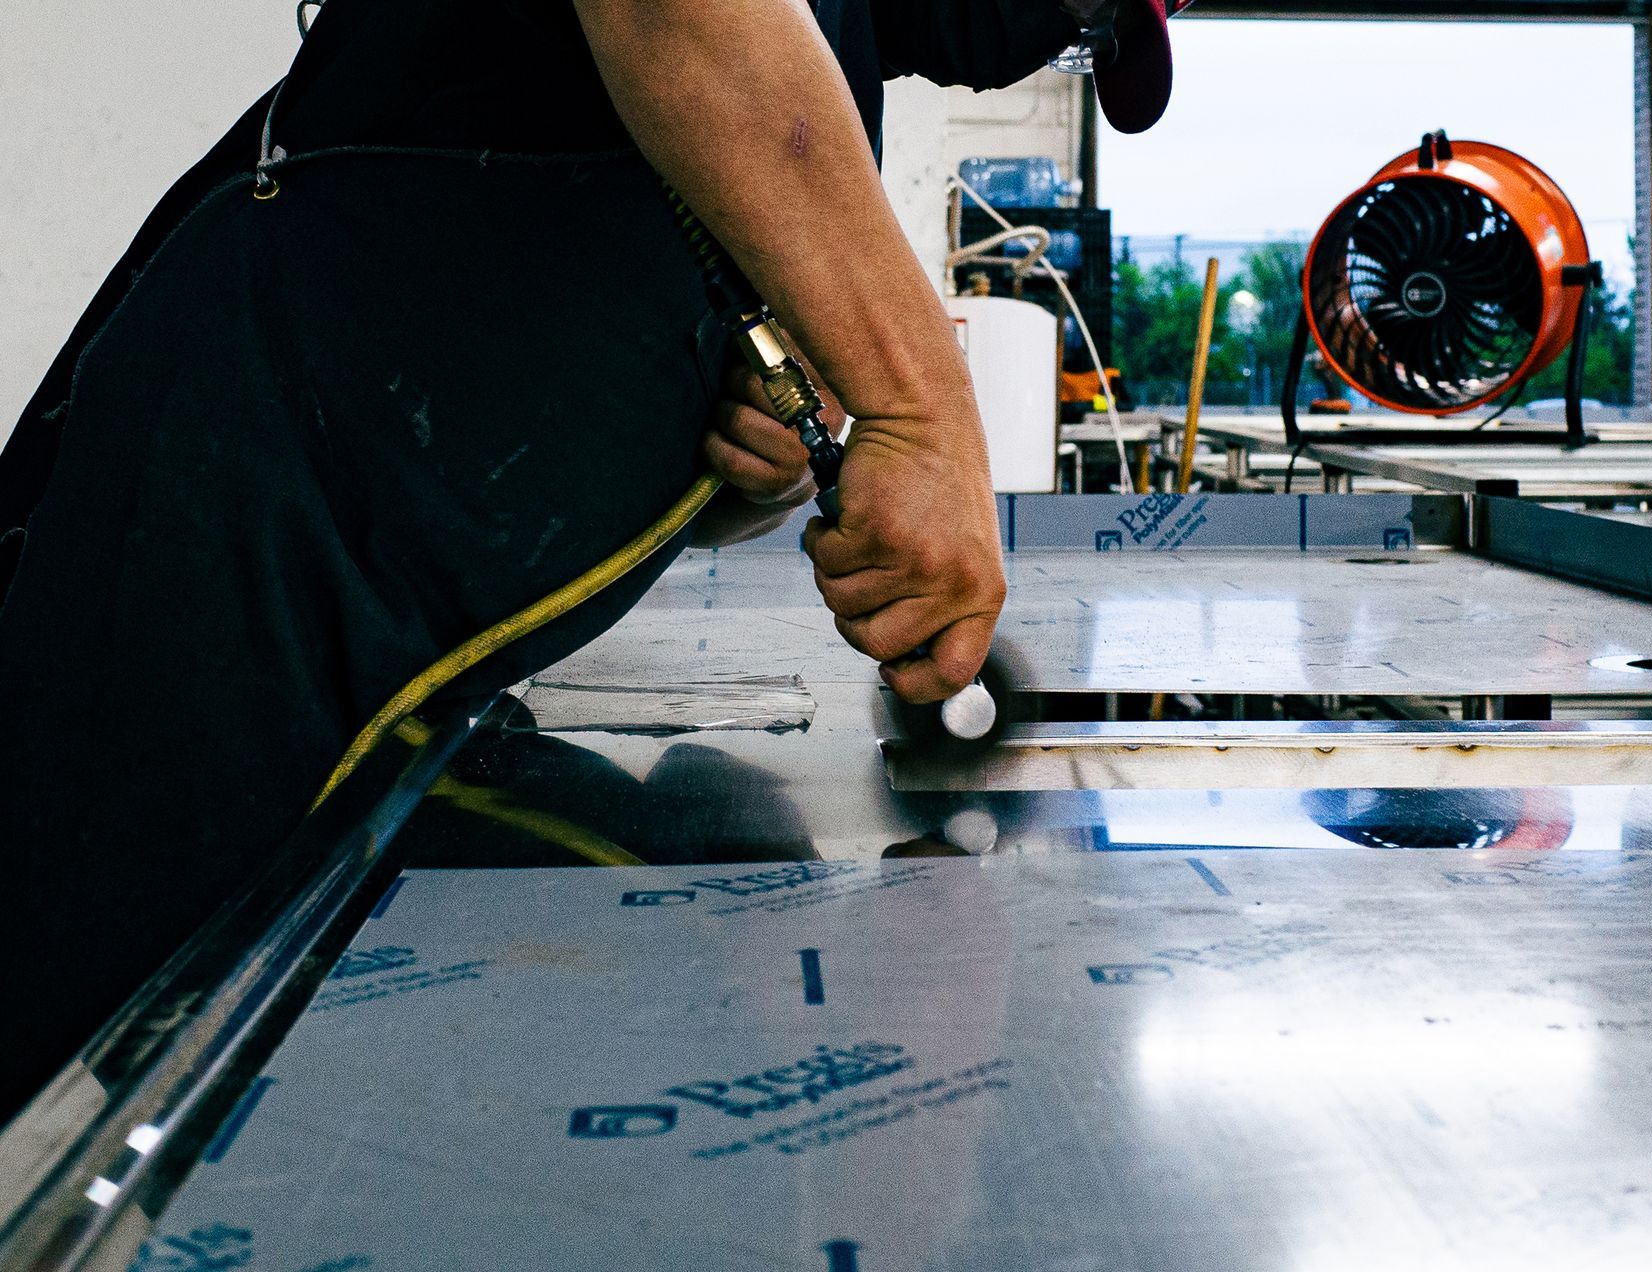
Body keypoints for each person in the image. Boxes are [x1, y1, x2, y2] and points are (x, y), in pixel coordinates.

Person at [0, 0, 1187, 1119]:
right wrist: (920, 405)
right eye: (1082, 16)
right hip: (221, 559)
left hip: (384, 645)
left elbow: (582, 388)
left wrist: (751, 470)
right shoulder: (758, 41)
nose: (1032, 49)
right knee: (98, 1025)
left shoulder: (818, 76)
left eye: (1078, 45)